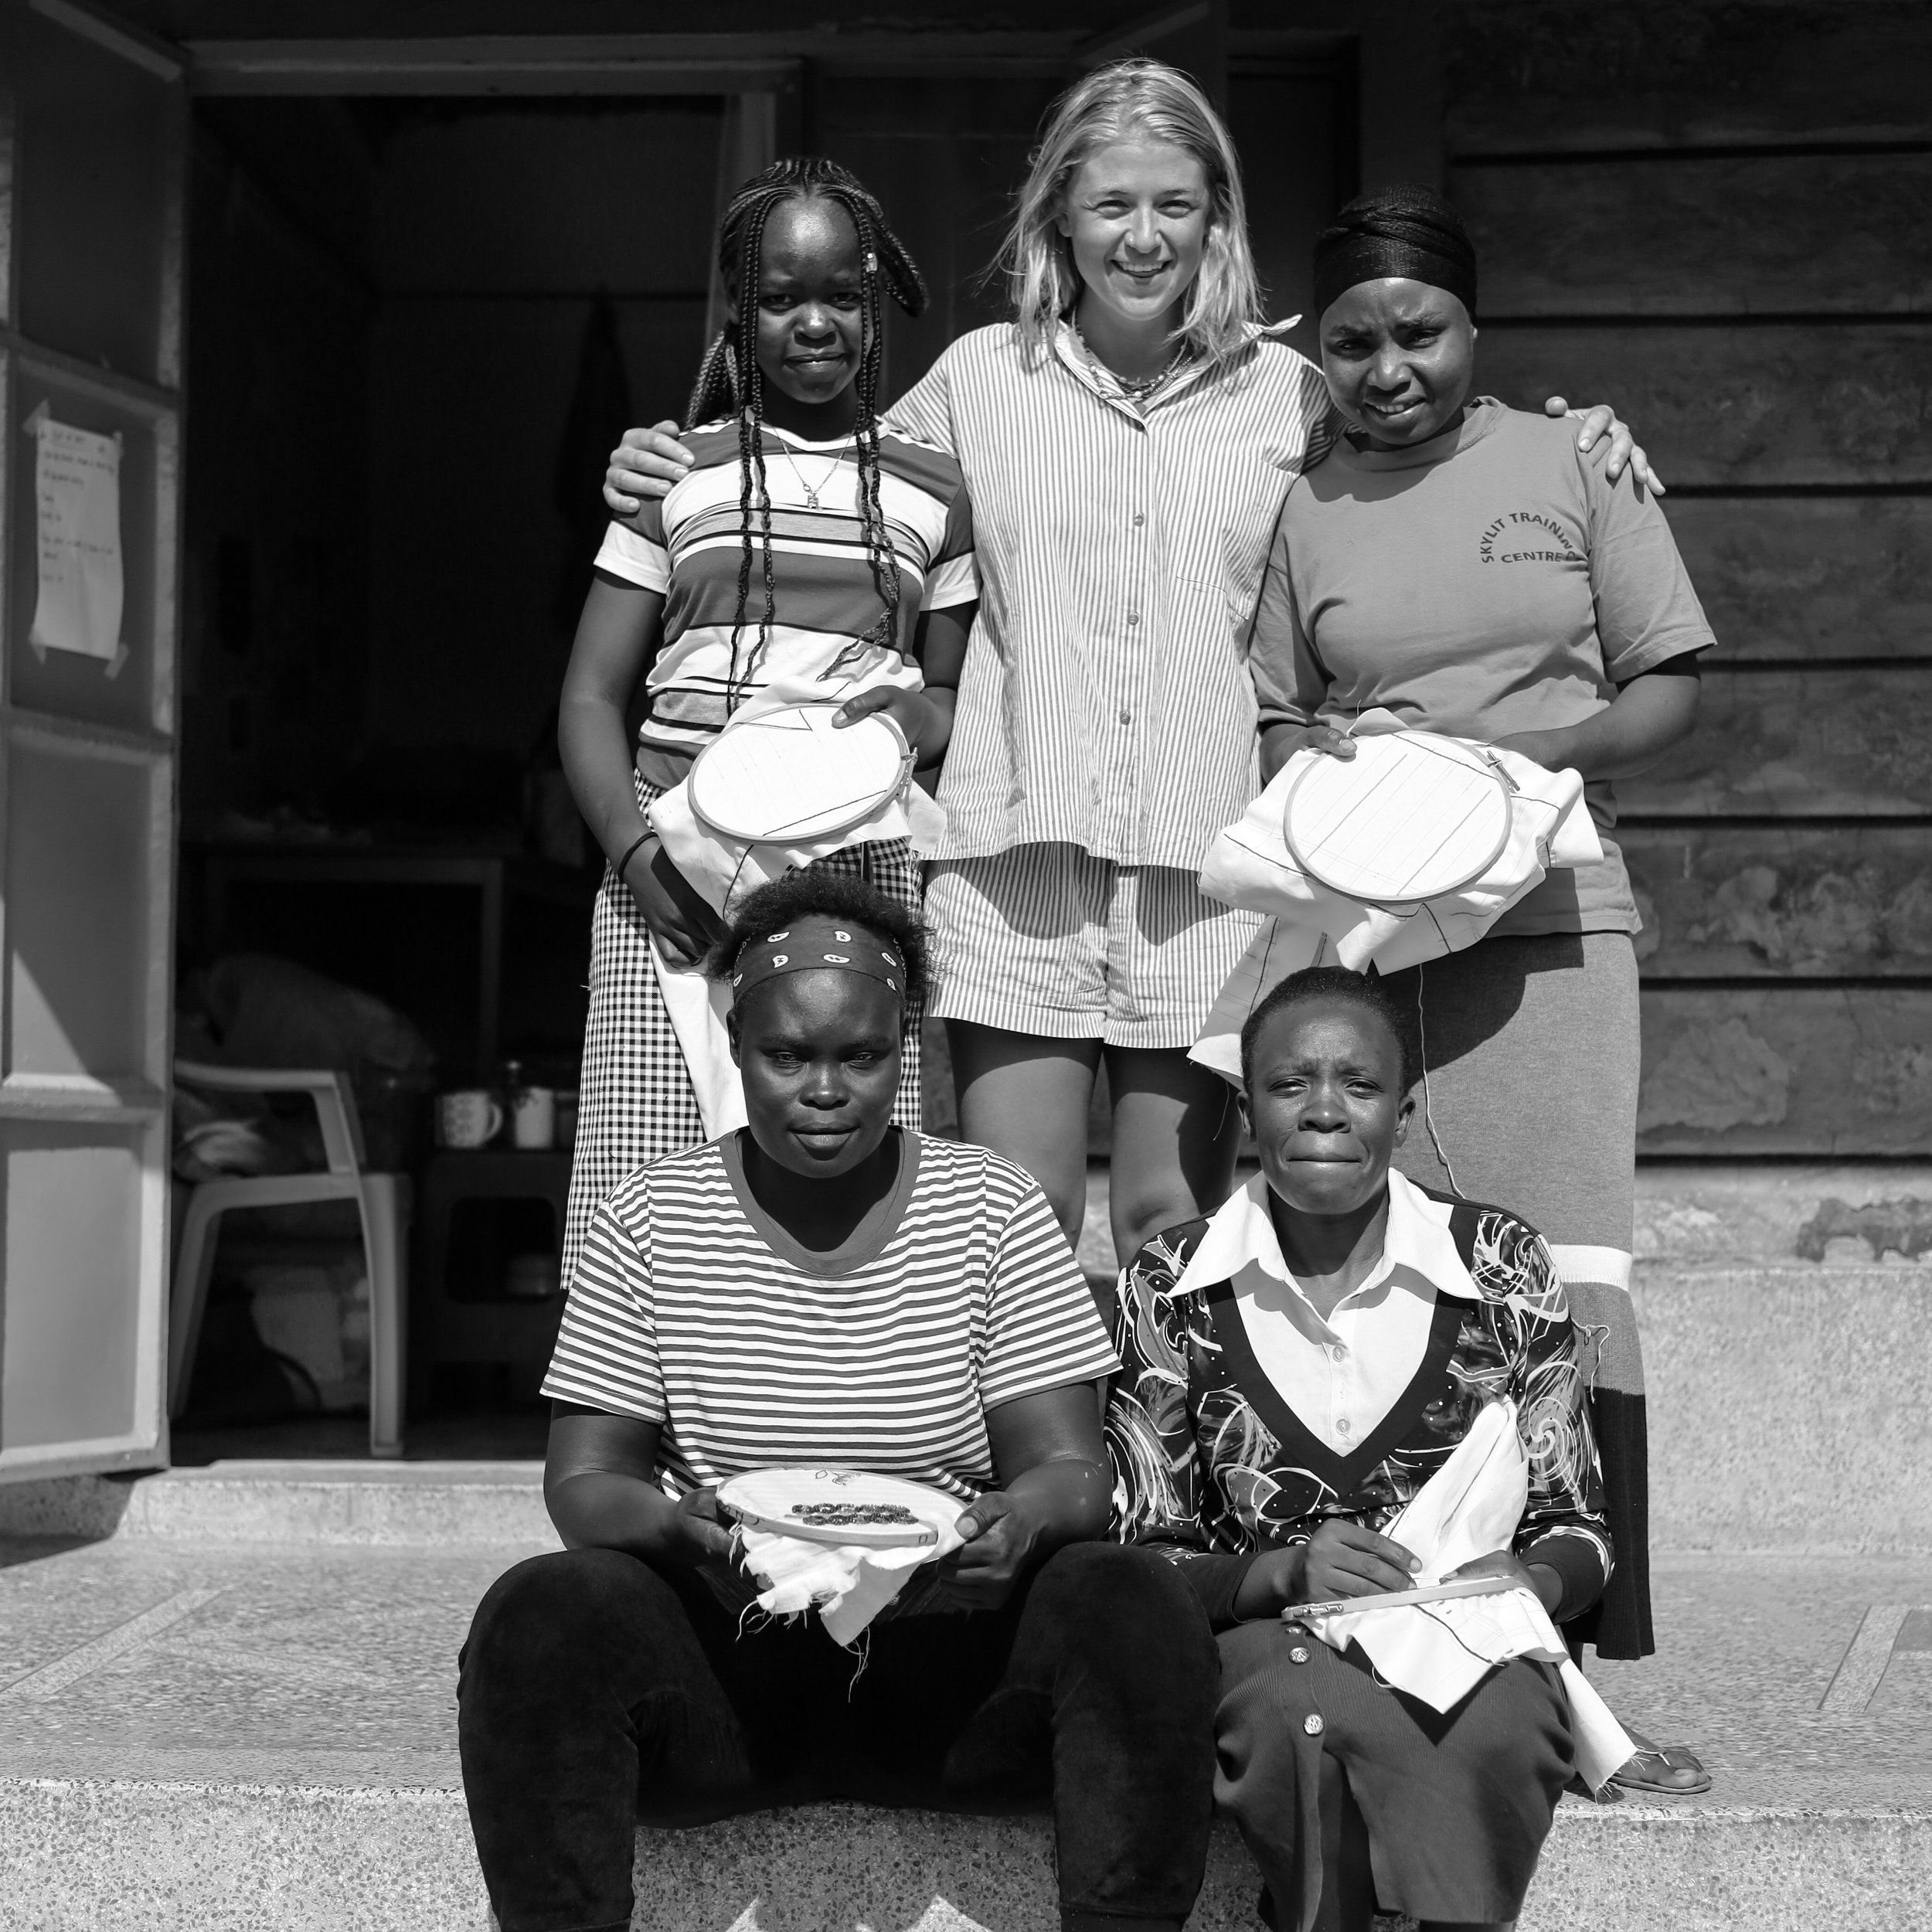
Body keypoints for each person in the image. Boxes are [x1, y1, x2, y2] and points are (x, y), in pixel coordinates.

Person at [600, 61, 1657, 1273]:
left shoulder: (1297, 400)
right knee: (1018, 1223)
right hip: (1013, 869)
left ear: (1218, 217)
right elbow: (812, 466)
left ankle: (1162, 1471)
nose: (1143, 238)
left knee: (1174, 1229)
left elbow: (1428, 429)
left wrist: (1572, 435)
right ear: (1058, 214)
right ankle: (1032, 1472)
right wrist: (662, 454)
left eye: (1174, 205)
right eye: (1110, 206)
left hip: (1203, 878)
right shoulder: (978, 384)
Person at [458, 870, 1220, 1932]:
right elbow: (586, 1479)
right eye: (789, 1056)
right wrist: (681, 1533)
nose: (826, 1089)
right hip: (735, 1669)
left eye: (861, 1056)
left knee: (1134, 1597)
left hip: (947, 1670)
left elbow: (1071, 1471)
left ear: (903, 1051)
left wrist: (1025, 1520)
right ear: (735, 1045)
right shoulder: (650, 1217)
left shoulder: (990, 1208)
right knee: (539, 1614)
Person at [1247, 185, 1712, 1791]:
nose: (1387, 369)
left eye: (1419, 332)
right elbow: (1269, 715)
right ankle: (1406, 1646)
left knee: (1565, 1280)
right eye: (1353, 342)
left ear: (1475, 331)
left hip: (1551, 920)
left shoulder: (1568, 461)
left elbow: (1663, 693)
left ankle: (1581, 1661)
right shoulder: (1299, 504)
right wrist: (1330, 762)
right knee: (1397, 1290)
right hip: (1364, 941)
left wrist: (1516, 754)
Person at [1109, 967, 1611, 1932]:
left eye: (1361, 1086)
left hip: (1470, 1638)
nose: (1327, 1112)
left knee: (1496, 1716)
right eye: (1291, 1085)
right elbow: (1144, 1553)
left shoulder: (1501, 1264)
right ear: (1246, 1111)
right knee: (1299, 1710)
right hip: (1269, 1642)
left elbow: (1581, 1528)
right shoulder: (1168, 1282)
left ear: (1407, 1110)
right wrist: (1283, 1571)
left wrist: (1526, 1583)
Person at [556, 157, 978, 1289]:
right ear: (739, 311)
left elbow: (952, 698)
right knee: (647, 1165)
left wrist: (913, 716)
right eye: (781, 298)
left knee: (846, 1154)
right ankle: (635, 1441)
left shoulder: (935, 491)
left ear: (877, 294)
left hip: (860, 857)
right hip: (672, 858)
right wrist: (640, 861)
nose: (813, 322)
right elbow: (591, 696)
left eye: (841, 294)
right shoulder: (670, 476)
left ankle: (832, 1423)